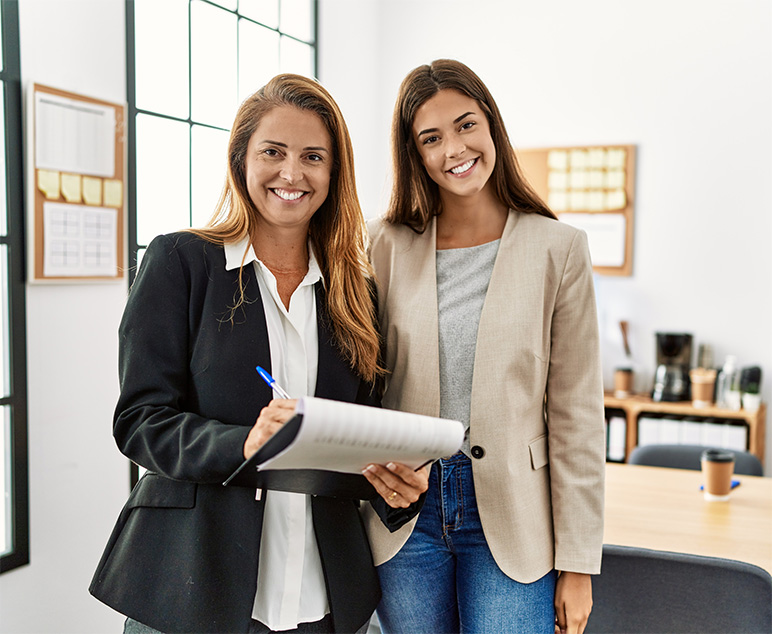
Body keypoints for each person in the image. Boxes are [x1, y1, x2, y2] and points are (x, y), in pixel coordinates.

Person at [89, 74, 428, 634]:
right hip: (194, 588)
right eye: (273, 152)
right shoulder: (181, 262)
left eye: (313, 157)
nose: (291, 174)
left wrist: (393, 488)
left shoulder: (355, 292)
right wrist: (243, 442)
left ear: (334, 173)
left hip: (323, 595)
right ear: (241, 159)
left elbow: (353, 441)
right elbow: (139, 421)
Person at [361, 59, 606, 634]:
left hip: (514, 516)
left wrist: (577, 563)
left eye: (466, 124)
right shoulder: (385, 244)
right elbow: (360, 382)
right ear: (415, 154)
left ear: (491, 124)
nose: (455, 148)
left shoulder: (559, 249)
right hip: (405, 516)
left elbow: (576, 415)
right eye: (432, 138)